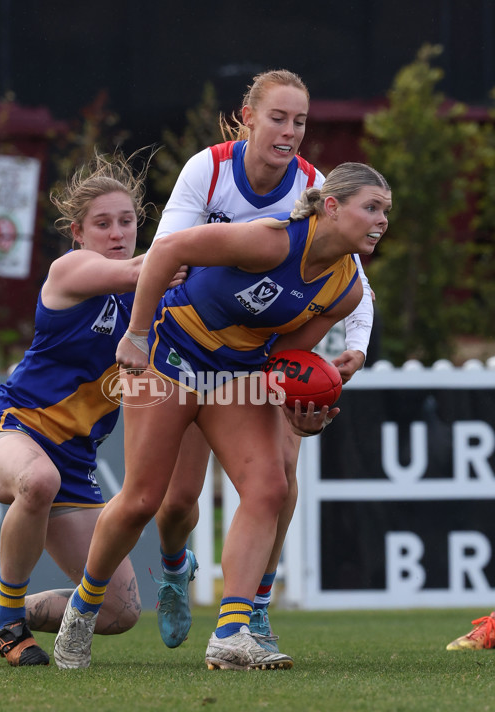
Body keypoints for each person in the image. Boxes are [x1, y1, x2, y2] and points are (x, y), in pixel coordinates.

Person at [53, 161, 391, 671]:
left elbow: (282, 362)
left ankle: (231, 632)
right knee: (144, 501)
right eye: (372, 207)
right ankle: (81, 610)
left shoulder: (345, 292)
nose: (382, 220)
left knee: (270, 488)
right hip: (170, 355)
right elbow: (167, 250)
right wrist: (137, 334)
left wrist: (299, 412)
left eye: (386, 211)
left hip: (234, 374)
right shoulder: (271, 242)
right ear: (332, 206)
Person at [147, 69, 375, 651]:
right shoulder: (210, 169)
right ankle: (175, 568)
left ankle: (252, 610)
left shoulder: (314, 184)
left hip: (270, 346)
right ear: (247, 116)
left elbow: (354, 282)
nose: (291, 130)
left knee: (279, 479)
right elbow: (169, 254)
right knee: (176, 502)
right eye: (278, 117)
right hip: (195, 339)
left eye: (300, 121)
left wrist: (357, 346)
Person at [0, 151, 176, 667]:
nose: (116, 232)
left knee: (119, 611)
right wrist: (216, 244)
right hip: (9, 431)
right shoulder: (71, 270)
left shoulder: (155, 299)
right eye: (102, 223)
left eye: (126, 221)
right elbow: (138, 270)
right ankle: (13, 620)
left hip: (75, 464)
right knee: (37, 480)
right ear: (78, 233)